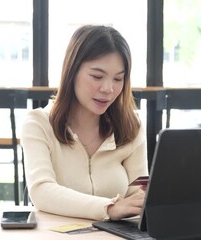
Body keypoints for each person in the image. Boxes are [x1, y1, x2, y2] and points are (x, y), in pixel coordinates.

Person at [20, 25, 147, 221]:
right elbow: (42, 191)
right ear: (72, 71)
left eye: (118, 79)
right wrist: (109, 208)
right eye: (97, 76)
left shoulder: (131, 126)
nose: (108, 89)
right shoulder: (39, 124)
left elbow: (138, 195)